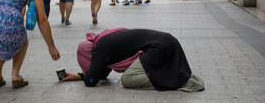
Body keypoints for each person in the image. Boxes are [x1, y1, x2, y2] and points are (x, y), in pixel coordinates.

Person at [62, 28, 205, 92]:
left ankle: (177, 81)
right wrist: (80, 75)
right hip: (166, 42)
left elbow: (91, 81)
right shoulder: (103, 39)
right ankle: (173, 76)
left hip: (159, 48)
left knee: (128, 79)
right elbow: (102, 74)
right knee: (131, 75)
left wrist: (86, 76)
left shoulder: (100, 48)